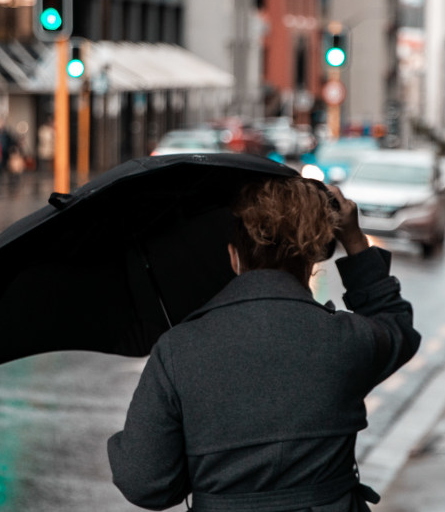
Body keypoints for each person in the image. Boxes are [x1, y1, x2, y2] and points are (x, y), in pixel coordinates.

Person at [107, 177, 421, 511]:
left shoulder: (178, 349)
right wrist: (354, 239)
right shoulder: (347, 339)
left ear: (233, 257)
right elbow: (396, 323)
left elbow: (144, 482)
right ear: (310, 260)